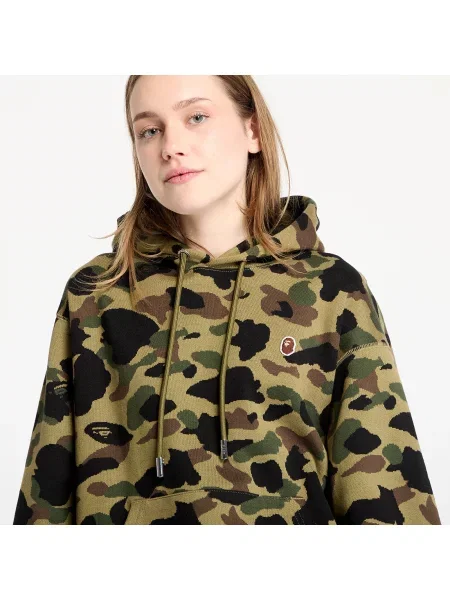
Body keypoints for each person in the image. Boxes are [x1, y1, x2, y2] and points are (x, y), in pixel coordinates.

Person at [13, 75, 441, 525]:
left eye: (196, 117)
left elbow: (388, 499)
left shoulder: (332, 291)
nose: (170, 147)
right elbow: (47, 497)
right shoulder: (97, 293)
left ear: (252, 130)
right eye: (149, 130)